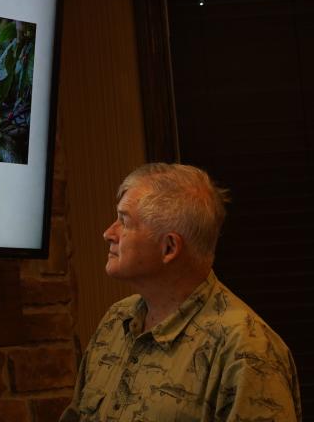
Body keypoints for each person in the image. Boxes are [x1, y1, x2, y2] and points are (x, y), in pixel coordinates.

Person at [60, 163, 301, 421]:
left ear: (169, 248)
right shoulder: (116, 320)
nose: (108, 233)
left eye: (124, 221)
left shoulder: (246, 349)